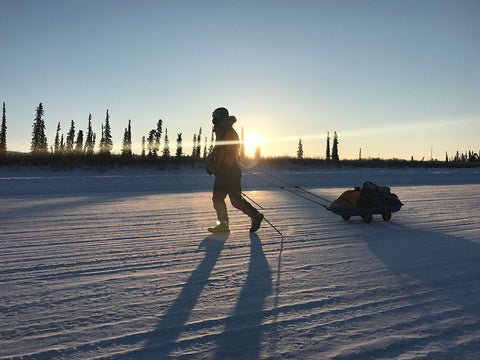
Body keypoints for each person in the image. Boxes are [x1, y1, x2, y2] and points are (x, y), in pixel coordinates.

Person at [207, 107, 264, 234]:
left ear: (220, 118)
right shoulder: (221, 132)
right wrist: (212, 162)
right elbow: (218, 151)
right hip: (224, 172)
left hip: (229, 172)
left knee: (235, 200)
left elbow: (230, 153)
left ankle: (255, 216)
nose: (213, 120)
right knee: (219, 197)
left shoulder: (229, 132)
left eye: (215, 117)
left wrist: (221, 167)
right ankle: (223, 225)